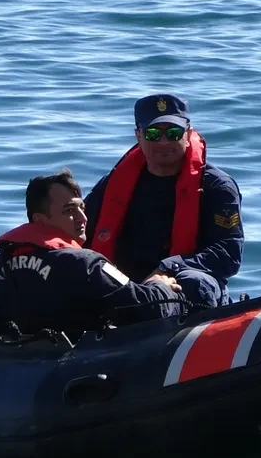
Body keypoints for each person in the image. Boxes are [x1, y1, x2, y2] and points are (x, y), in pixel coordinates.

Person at [0, 169, 185, 340]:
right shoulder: (85, 264)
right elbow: (149, 309)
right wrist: (160, 286)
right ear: (40, 220)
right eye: (69, 211)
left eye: (82, 209)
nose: (83, 219)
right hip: (81, 374)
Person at [84, 93, 244, 308]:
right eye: (152, 134)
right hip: (126, 284)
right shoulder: (114, 184)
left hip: (183, 282)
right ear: (138, 136)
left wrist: (168, 268)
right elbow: (79, 232)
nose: (163, 141)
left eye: (173, 133)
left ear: (188, 134)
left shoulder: (217, 187)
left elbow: (228, 254)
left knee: (194, 282)